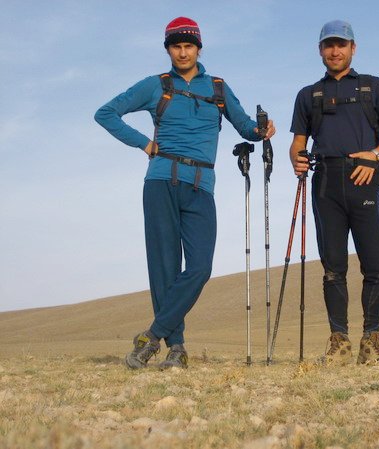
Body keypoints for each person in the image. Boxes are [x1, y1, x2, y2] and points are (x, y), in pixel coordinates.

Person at [95, 17, 275, 370]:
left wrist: (261, 130)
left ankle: (152, 335)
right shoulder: (155, 85)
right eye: (175, 46)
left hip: (201, 185)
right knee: (163, 268)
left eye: (188, 45)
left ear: (198, 49)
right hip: (161, 181)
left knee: (199, 267)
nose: (182, 52)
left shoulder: (219, 88)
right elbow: (106, 113)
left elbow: (245, 127)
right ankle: (176, 348)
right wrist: (144, 144)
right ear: (168, 49)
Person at [289, 20, 379, 365]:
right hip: (326, 182)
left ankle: (371, 340)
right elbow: (297, 143)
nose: (334, 51)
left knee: (374, 264)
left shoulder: (372, 87)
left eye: (341, 45)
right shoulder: (309, 95)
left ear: (353, 48)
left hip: (365, 178)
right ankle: (339, 342)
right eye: (328, 45)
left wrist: (375, 156)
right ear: (320, 50)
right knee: (333, 267)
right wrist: (296, 160)